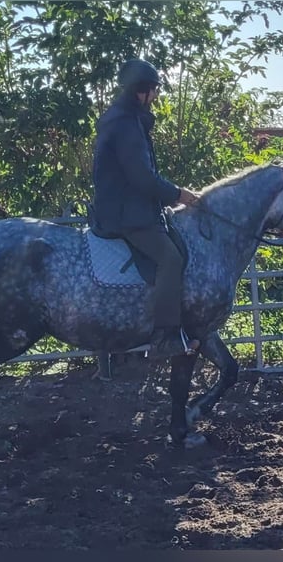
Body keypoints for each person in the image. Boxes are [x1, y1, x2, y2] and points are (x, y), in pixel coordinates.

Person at [90, 58, 201, 357]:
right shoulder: (127, 125)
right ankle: (165, 338)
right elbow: (140, 176)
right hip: (127, 213)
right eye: (155, 90)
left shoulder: (123, 119)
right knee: (170, 259)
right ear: (143, 91)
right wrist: (178, 194)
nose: (156, 96)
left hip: (128, 207)